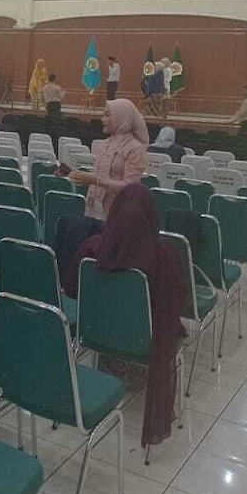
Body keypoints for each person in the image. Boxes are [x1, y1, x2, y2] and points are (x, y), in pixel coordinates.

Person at [61, 184, 186, 449]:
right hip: (144, 346)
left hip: (99, 339)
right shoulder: (164, 257)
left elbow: (70, 289)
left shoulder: (92, 250)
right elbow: (178, 304)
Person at [70, 98, 148, 221]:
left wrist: (96, 181)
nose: (102, 120)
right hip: (95, 208)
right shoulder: (105, 144)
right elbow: (100, 175)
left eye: (107, 115)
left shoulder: (136, 148)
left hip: (118, 212)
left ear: (122, 117)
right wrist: (75, 175)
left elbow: (130, 187)